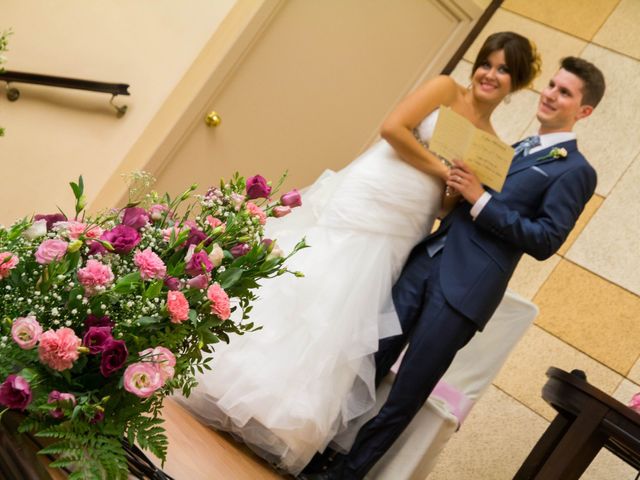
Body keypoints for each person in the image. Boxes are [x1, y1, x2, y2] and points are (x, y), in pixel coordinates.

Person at [174, 31, 540, 475]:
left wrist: (455, 189)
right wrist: (442, 167)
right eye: (487, 62)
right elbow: (393, 129)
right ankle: (226, 381)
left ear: (515, 83)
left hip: (411, 218)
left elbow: (450, 204)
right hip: (376, 189)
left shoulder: (493, 146)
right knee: (319, 276)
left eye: (504, 70)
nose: (490, 74)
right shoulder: (446, 89)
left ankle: (278, 416)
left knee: (348, 305)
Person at [300, 56, 605, 480]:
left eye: (565, 92)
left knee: (405, 394)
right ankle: (312, 455)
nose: (551, 94)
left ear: (583, 111)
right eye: (552, 85)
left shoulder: (576, 171)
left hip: (465, 290)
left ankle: (345, 475)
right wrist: (458, 189)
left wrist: (480, 199)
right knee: (365, 364)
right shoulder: (515, 148)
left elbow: (546, 240)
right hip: (428, 259)